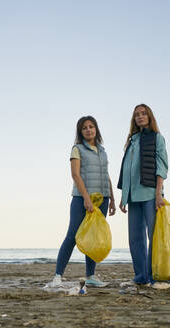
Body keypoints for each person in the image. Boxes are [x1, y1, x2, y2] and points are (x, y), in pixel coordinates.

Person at [51, 116, 116, 287]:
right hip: (82, 199)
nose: (88, 130)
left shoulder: (102, 151)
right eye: (85, 128)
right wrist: (86, 198)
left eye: (91, 126)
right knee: (72, 236)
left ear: (96, 129)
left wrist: (112, 199)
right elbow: (75, 174)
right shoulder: (77, 149)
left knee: (94, 237)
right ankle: (57, 276)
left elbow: (106, 175)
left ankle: (91, 276)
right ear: (80, 132)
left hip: (102, 198)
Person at [118, 104, 169, 289]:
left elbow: (162, 166)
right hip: (133, 196)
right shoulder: (132, 140)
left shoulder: (157, 138)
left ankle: (155, 277)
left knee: (153, 236)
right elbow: (127, 170)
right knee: (135, 239)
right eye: (136, 115)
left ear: (149, 117)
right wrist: (124, 195)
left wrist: (158, 194)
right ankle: (141, 277)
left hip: (150, 194)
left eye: (143, 114)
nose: (140, 117)